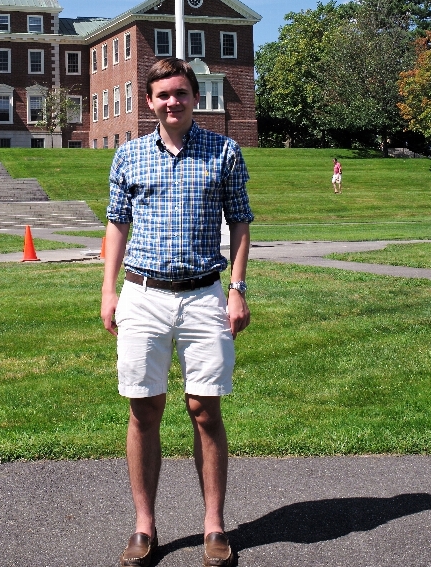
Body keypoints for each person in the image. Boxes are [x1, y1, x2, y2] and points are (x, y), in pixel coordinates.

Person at [101, 58, 253, 567]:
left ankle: (214, 525)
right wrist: (108, 289)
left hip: (205, 296)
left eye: (182, 93)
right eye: (163, 94)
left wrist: (236, 289)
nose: (173, 102)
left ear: (195, 97)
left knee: (205, 410)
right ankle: (144, 527)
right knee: (144, 409)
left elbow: (240, 225)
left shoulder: (224, 151)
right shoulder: (128, 157)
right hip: (143, 295)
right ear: (149, 101)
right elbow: (116, 226)